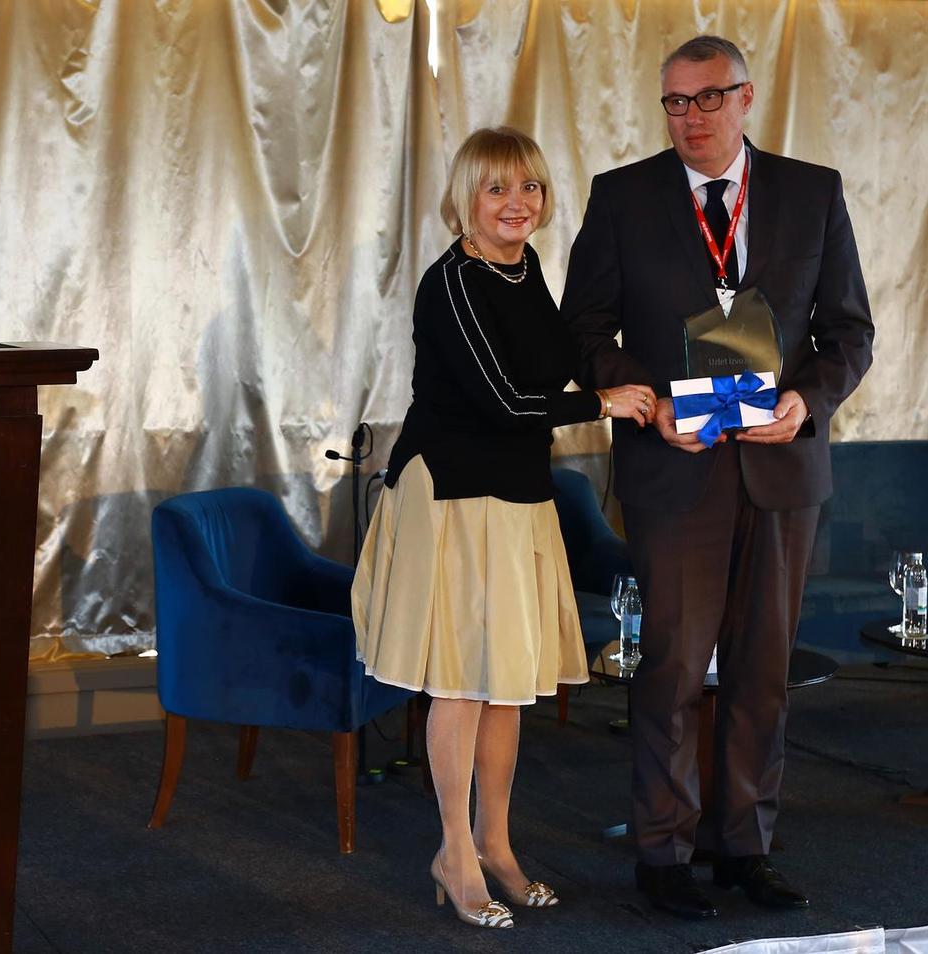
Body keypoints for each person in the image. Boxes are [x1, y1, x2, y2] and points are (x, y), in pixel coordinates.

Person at [563, 36, 875, 919]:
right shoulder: (622, 196)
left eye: (707, 98)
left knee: (761, 672)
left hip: (781, 469)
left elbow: (850, 332)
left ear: (745, 98)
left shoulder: (813, 192)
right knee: (670, 671)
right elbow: (582, 327)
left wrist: (807, 401)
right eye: (675, 101)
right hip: (674, 468)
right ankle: (663, 854)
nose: (690, 117)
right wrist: (649, 400)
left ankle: (745, 847)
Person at [352, 127, 656, 930]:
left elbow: (555, 368)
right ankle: (453, 853)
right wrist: (604, 403)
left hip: (518, 493)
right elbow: (505, 401)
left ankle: (496, 842)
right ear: (466, 198)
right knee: (460, 681)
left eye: (530, 187)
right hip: (453, 495)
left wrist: (651, 372)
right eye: (497, 188)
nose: (517, 203)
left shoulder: (526, 269)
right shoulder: (452, 281)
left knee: (506, 683)